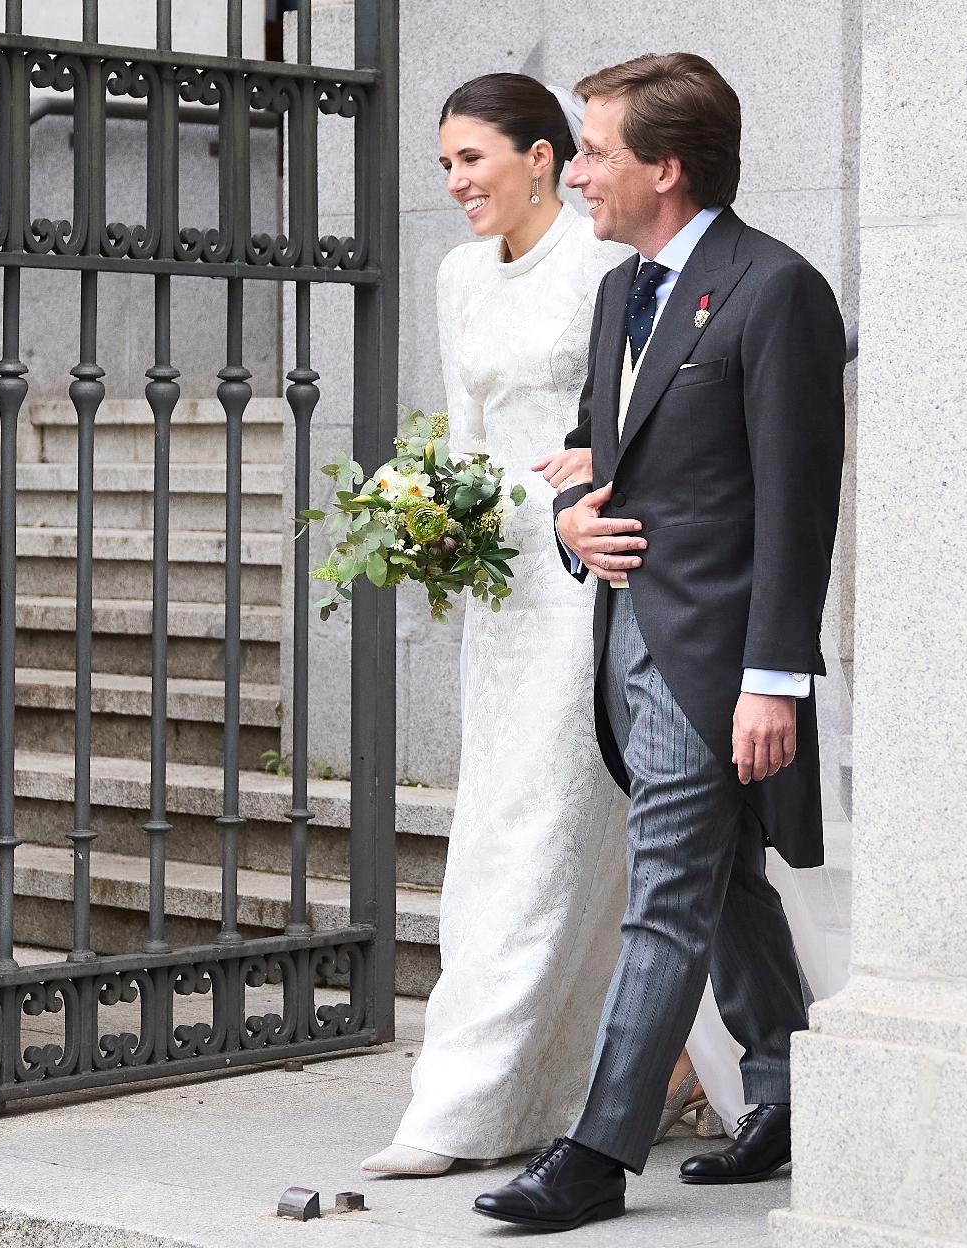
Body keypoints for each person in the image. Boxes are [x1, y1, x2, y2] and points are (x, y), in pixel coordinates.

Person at [473, 53, 846, 1231]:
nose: (576, 172)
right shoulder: (621, 293)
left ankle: (595, 1155)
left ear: (667, 168)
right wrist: (569, 519)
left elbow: (797, 505)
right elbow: (598, 452)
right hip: (628, 640)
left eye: (594, 152)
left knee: (665, 895)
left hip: (718, 656)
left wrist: (772, 681)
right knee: (722, 880)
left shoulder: (777, 291)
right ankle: (785, 1092)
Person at [361, 72, 710, 1179]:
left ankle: (463, 1107)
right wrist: (426, 512)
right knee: (495, 837)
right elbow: (464, 433)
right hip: (501, 597)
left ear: (544, 157)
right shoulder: (457, 275)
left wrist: (591, 488)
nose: (457, 182)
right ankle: (624, 1077)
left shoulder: (605, 264)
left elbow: (646, 425)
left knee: (546, 840)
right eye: (446, 164)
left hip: (589, 583)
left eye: (473, 158)